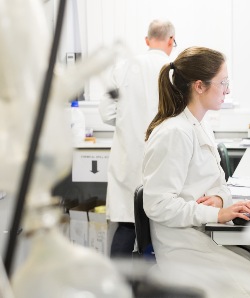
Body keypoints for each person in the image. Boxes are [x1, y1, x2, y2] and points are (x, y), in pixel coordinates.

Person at [142, 47, 250, 298]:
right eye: (223, 82)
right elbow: (158, 205)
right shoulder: (174, 133)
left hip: (205, 239)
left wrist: (220, 200)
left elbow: (218, 185)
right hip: (184, 251)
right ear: (199, 86)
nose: (228, 89)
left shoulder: (199, 124)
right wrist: (216, 211)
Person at [99, 19, 176, 257]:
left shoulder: (123, 67)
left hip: (129, 158)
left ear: (147, 40)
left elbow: (106, 112)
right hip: (164, 158)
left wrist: (128, 123)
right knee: (164, 227)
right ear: (171, 40)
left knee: (127, 224)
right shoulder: (175, 69)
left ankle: (116, 290)